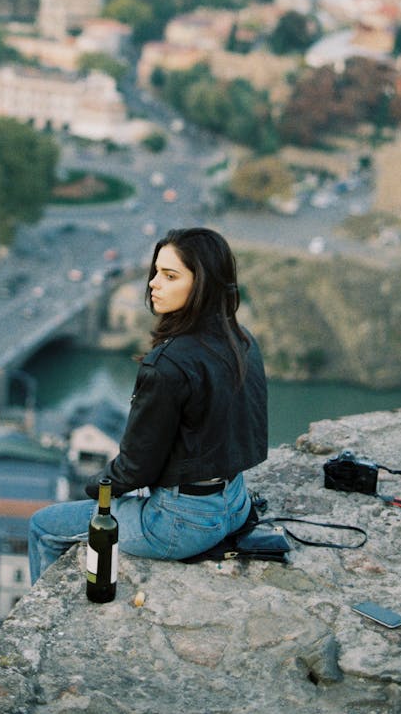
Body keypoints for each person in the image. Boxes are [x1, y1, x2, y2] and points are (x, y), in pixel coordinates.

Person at [28, 226, 268, 583]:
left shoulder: (167, 365)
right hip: (235, 502)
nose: (154, 283)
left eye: (170, 276)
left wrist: (94, 486)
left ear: (202, 285)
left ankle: (43, 630)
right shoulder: (241, 339)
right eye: (156, 272)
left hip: (181, 524)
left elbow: (134, 467)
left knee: (43, 526)